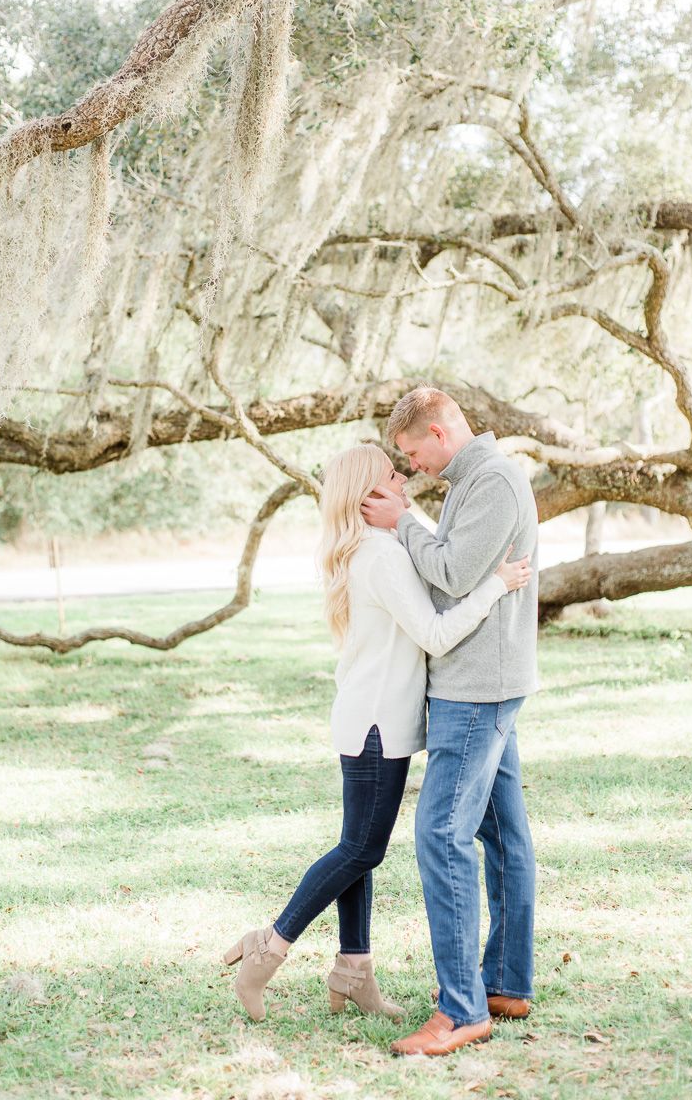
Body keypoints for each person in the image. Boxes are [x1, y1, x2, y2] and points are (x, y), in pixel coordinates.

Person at [223, 442, 531, 1023]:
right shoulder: (381, 556)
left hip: (368, 719)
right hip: (375, 727)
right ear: (370, 492)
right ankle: (268, 948)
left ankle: (354, 970)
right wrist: (496, 585)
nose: (405, 477)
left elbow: (437, 568)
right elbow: (435, 634)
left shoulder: (376, 547)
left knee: (358, 848)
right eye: (394, 474)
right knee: (361, 848)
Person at [361, 386, 538, 1057]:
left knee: (439, 834)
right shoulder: (473, 481)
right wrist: (420, 528)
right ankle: (505, 983)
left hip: (476, 688)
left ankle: (462, 1010)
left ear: (438, 432)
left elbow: (452, 577)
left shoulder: (491, 481)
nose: (413, 468)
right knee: (502, 834)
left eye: (413, 454)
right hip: (485, 682)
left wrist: (402, 521)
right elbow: (456, 570)